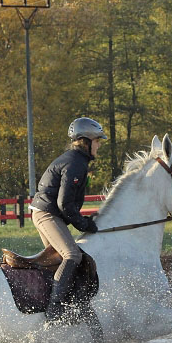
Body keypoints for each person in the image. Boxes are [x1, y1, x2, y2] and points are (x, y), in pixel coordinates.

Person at [29, 116, 105, 322]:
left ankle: (67, 302)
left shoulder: (76, 160)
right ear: (86, 141)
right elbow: (65, 204)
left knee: (60, 259)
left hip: (45, 212)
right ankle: (54, 308)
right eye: (97, 141)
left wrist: (82, 220)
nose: (99, 145)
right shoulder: (75, 164)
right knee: (72, 255)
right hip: (47, 214)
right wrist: (83, 224)